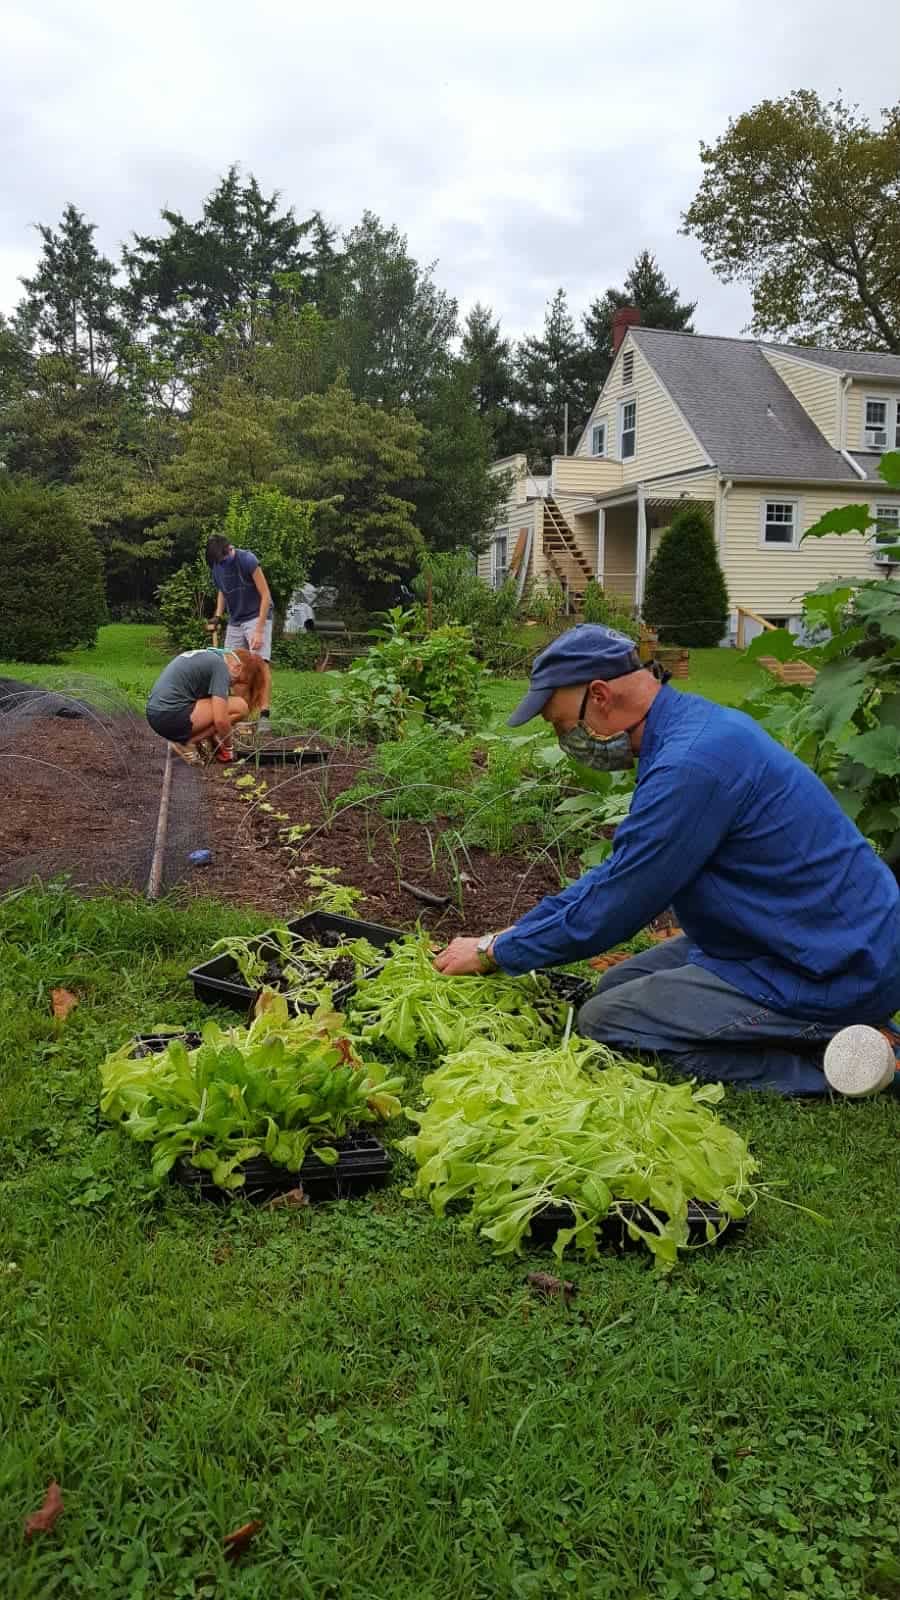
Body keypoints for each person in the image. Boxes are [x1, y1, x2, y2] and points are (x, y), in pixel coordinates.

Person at [434, 625, 900, 1097]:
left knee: (606, 1022)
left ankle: (849, 1065)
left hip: (832, 965)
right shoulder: (687, 730)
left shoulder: (690, 766)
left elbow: (615, 906)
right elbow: (619, 875)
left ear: (599, 696)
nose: (566, 741)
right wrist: (508, 938)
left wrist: (495, 953)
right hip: (783, 937)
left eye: (561, 726)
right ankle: (820, 1032)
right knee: (615, 985)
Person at [146, 647, 270, 765]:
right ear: (238, 667)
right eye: (240, 682)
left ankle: (188, 742)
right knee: (241, 706)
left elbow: (207, 711)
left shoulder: (209, 657)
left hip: (157, 715)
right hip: (170, 715)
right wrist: (229, 748)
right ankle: (186, 743)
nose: (233, 685)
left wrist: (215, 742)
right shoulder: (221, 667)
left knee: (222, 707)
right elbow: (220, 720)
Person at [205, 536, 273, 731]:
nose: (225, 562)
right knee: (233, 666)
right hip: (236, 619)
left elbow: (266, 595)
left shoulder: (247, 560)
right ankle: (242, 712)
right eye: (220, 561)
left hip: (257, 615)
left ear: (230, 549)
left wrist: (259, 630)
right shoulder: (218, 568)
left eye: (226, 557)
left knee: (260, 664)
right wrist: (218, 615)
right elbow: (222, 591)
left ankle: (264, 714)